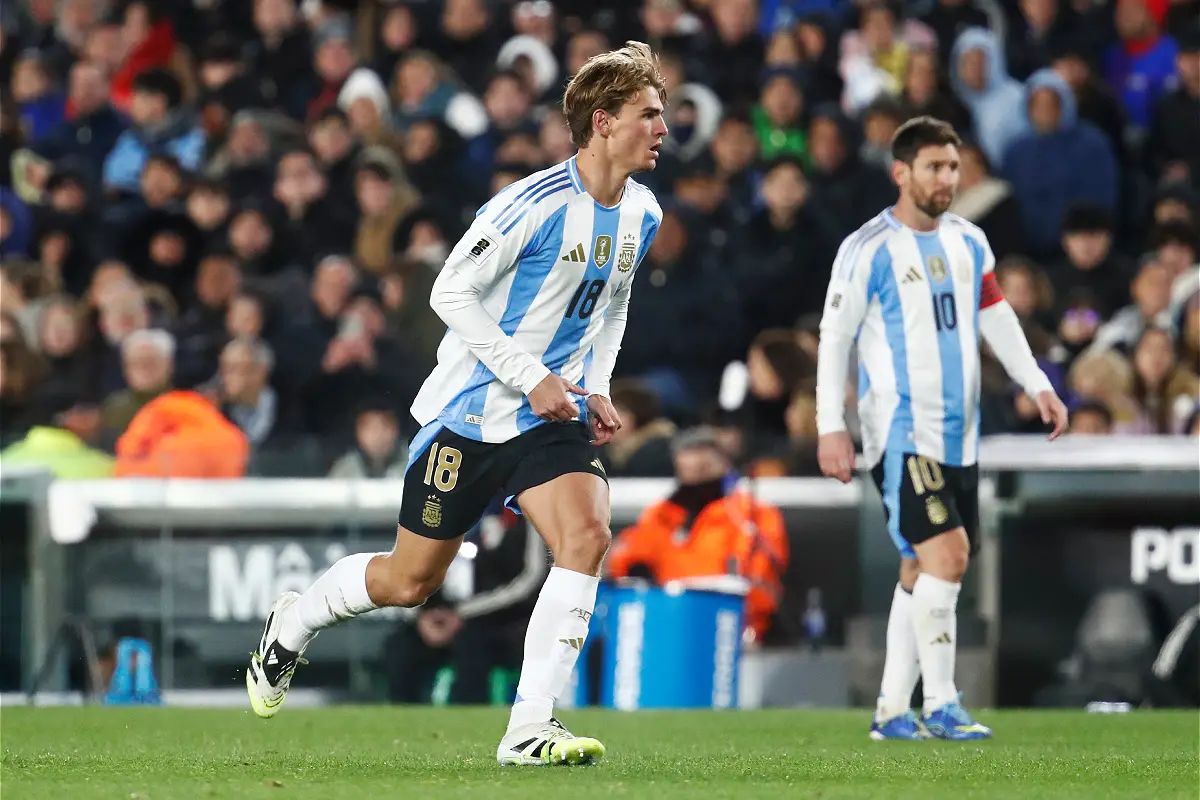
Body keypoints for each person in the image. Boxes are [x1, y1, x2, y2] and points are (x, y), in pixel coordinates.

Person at [245, 41, 668, 767]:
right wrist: (528, 372)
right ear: (602, 122)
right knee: (408, 582)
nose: (663, 128)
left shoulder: (643, 212)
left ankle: (530, 726)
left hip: (548, 417)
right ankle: (295, 621)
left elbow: (616, 303)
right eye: (649, 115)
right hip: (471, 415)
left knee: (588, 535)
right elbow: (448, 292)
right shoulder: (528, 206)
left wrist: (593, 380)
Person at [815, 117, 1068, 741]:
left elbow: (994, 313)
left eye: (953, 167)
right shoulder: (867, 247)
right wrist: (830, 425)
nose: (946, 178)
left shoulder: (969, 242)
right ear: (901, 172)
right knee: (948, 556)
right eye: (934, 167)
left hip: (961, 434)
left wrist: (1035, 381)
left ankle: (891, 712)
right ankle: (943, 702)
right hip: (900, 431)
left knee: (919, 570)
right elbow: (834, 340)